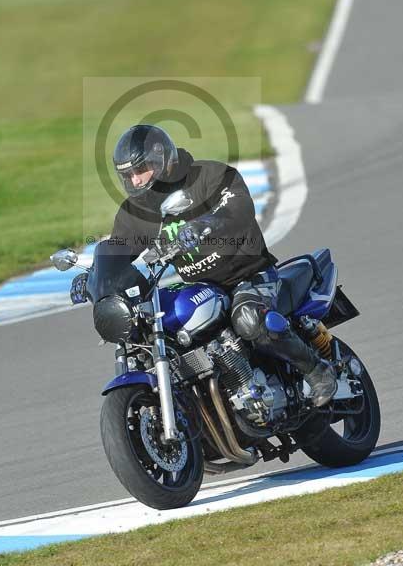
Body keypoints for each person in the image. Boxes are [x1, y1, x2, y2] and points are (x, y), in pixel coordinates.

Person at [72, 124, 336, 407]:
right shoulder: (136, 210)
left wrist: (206, 223)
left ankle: (318, 372)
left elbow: (240, 210)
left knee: (248, 319)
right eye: (128, 175)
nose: (136, 181)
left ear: (161, 159)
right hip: (201, 287)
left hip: (249, 274)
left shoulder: (210, 176)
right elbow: (121, 248)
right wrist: (96, 277)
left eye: (141, 170)